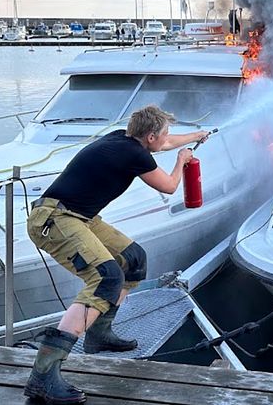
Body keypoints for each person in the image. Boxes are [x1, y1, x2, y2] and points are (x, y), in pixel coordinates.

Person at [23, 105, 208, 404]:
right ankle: (42, 377)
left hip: (80, 216)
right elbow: (171, 186)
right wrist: (181, 161)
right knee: (105, 278)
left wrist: (196, 136)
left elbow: (167, 142)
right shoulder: (135, 154)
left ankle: (99, 334)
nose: (167, 138)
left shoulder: (122, 139)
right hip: (55, 221)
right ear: (149, 137)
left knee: (133, 260)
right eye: (164, 134)